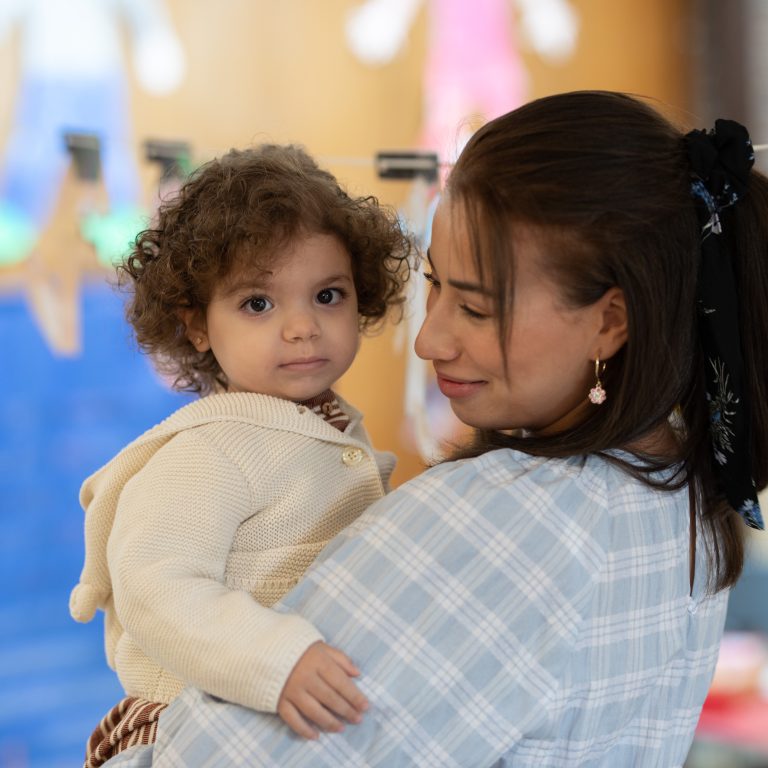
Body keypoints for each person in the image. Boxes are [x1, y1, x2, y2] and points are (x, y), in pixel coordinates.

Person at [102, 90, 767, 767]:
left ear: (608, 321)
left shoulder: (508, 522)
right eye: (436, 287)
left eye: (475, 308)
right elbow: (156, 588)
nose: (429, 341)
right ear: (195, 324)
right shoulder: (689, 498)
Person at [68, 143, 412, 763]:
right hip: (187, 727)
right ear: (197, 326)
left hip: (282, 720)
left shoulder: (331, 430)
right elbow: (155, 589)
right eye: (258, 303)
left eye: (327, 295)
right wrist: (275, 658)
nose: (302, 326)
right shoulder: (209, 452)